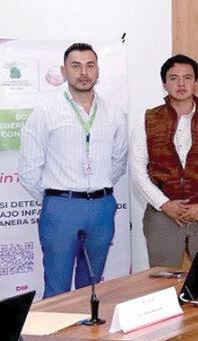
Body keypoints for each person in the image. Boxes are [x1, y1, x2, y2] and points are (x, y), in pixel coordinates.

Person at [19, 43, 128, 297]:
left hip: (101, 207)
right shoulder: (46, 112)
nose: (84, 72)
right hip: (61, 209)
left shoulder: (113, 112)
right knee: (57, 290)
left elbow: (119, 160)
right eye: (76, 66)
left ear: (98, 71)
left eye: (90, 65)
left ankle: (90, 325)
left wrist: (96, 187)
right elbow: (28, 169)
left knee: (91, 289)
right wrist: (56, 198)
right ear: (63, 71)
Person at [130, 55, 198, 268]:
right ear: (164, 84)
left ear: (196, 83)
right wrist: (163, 204)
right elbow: (138, 169)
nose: (181, 83)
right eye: (174, 78)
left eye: (187, 77)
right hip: (162, 213)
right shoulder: (148, 119)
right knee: (162, 280)